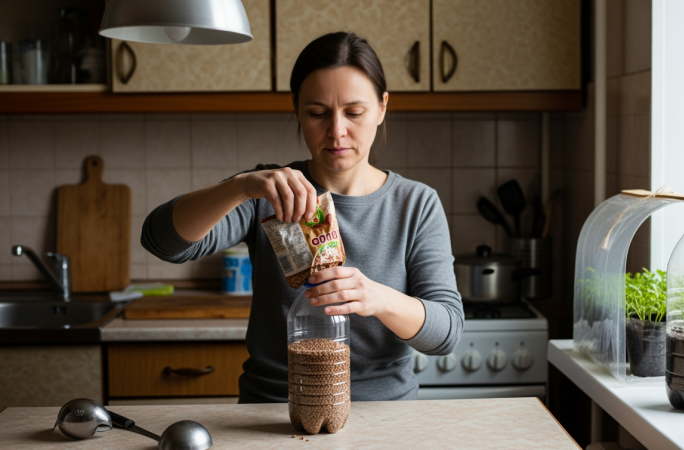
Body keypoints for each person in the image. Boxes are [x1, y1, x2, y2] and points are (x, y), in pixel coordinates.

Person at [141, 32, 463, 403]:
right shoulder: (265, 192)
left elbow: (446, 334)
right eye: (317, 113)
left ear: (381, 108)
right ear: (296, 109)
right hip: (274, 410)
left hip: (384, 415)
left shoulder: (416, 203)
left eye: (354, 112)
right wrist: (239, 187)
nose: (337, 131)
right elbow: (161, 242)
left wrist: (377, 298)